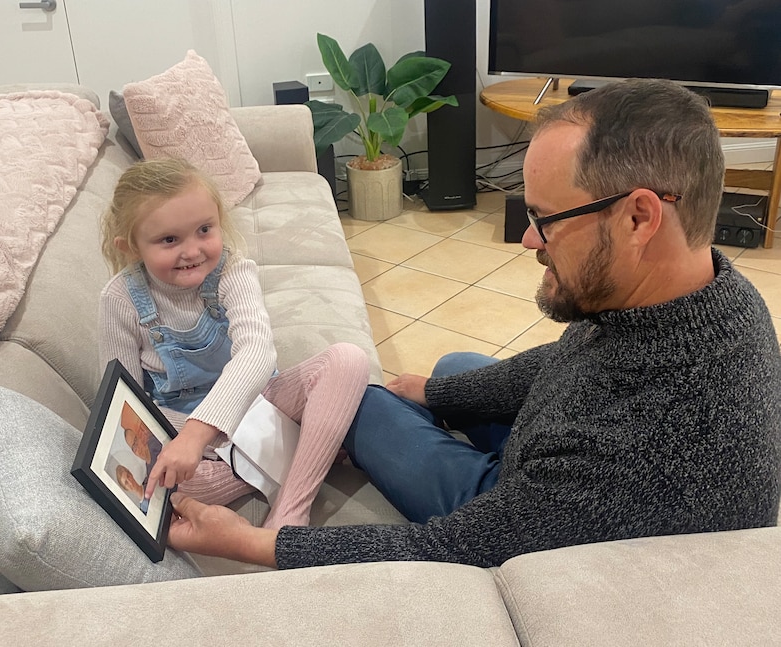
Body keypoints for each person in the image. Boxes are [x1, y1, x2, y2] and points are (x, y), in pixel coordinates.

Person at [165, 78, 781, 569]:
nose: (527, 239)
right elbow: (573, 361)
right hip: (562, 470)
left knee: (366, 406)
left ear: (640, 218)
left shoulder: (631, 452)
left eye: (545, 218)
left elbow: (447, 551)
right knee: (455, 371)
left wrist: (253, 544)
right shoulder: (713, 293)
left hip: (529, 506)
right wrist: (434, 392)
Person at [98, 158, 369, 529]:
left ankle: (289, 512)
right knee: (166, 488)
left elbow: (257, 352)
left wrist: (200, 432)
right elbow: (125, 402)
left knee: (348, 360)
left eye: (204, 229)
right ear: (130, 247)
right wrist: (189, 439)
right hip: (185, 430)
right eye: (169, 240)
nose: (192, 251)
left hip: (256, 403)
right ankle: (308, 449)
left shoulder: (231, 270)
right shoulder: (119, 299)